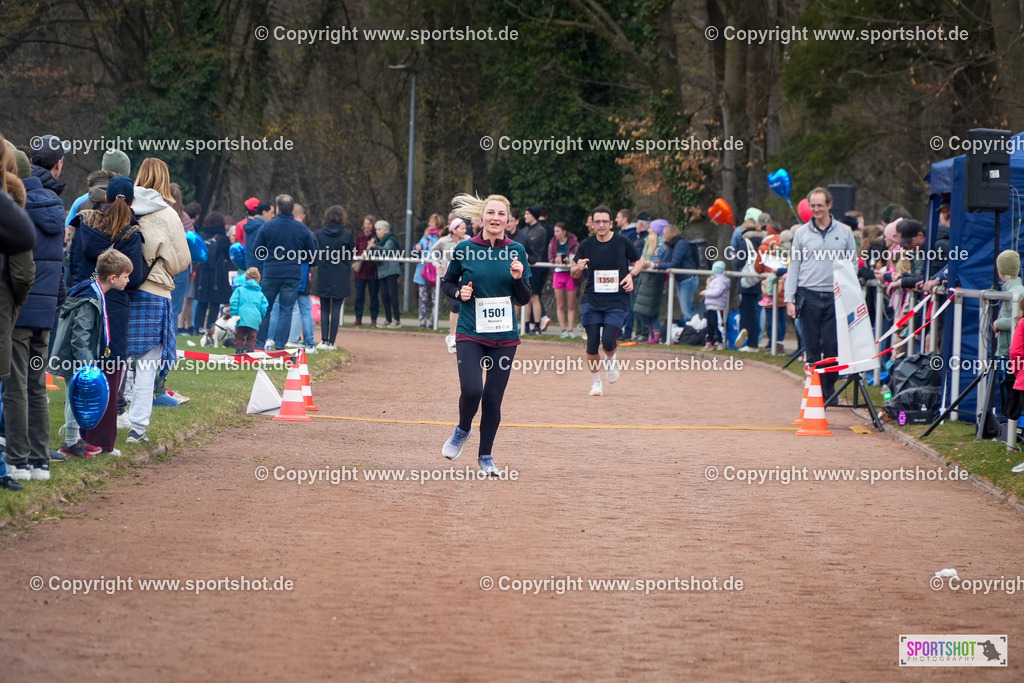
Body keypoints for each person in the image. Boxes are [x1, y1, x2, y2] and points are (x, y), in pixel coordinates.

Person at [439, 193, 531, 475]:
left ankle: (485, 457)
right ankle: (462, 429)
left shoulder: (517, 250)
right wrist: (459, 293)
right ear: (482, 217)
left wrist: (518, 279)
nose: (495, 218)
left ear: (508, 219)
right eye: (491, 212)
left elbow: (524, 297)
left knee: (492, 398)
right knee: (472, 390)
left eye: (501, 214)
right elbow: (447, 282)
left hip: (504, 337)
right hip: (470, 332)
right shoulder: (465, 249)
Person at [64, 176, 146, 456]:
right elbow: (135, 277)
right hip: (114, 308)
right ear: (132, 202)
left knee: (81, 367)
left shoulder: (83, 222)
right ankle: (102, 441)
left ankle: (75, 436)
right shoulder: (131, 232)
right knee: (110, 373)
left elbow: (72, 262)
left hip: (83, 299)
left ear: (106, 198)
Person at [2, 134, 67, 482]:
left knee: (16, 389)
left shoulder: (16, 207)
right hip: (45, 314)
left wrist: (17, 300)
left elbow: (21, 269)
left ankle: (17, 459)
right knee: (37, 386)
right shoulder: (56, 206)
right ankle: (41, 460)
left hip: (21, 311)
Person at [125, 157, 191, 443]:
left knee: (119, 358)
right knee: (148, 363)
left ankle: (116, 414)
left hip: (122, 288)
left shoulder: (123, 206)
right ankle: (137, 427)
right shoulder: (167, 214)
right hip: (154, 290)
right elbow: (182, 260)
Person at [50, 248, 133, 463]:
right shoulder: (89, 298)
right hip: (74, 357)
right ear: (113, 277)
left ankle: (74, 440)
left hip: (78, 356)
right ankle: (70, 443)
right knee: (74, 398)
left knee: (75, 398)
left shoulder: (93, 291)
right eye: (126, 276)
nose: (128, 280)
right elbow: (80, 335)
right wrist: (88, 367)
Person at [785, 187, 857, 405]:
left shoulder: (844, 232)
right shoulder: (801, 233)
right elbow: (794, 266)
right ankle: (815, 389)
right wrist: (789, 299)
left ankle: (829, 388)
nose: (816, 210)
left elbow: (852, 263)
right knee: (812, 347)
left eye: (820, 205)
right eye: (813, 206)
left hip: (835, 296)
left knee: (832, 346)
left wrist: (849, 293)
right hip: (808, 295)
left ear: (829, 205)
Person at [570, 205, 644, 396]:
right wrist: (578, 268)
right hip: (592, 299)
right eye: (597, 221)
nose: (601, 225)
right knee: (592, 343)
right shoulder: (586, 244)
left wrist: (631, 276)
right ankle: (596, 383)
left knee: (608, 341)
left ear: (611, 223)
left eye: (605, 221)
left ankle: (611, 360)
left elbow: (640, 260)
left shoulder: (622, 242)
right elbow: (573, 271)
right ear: (592, 224)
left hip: (617, 299)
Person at [0, 139, 37, 491]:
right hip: (9, 306)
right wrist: (15, 302)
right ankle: (13, 462)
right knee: (20, 386)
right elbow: (24, 272)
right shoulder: (11, 205)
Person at [252, 194, 316, 350]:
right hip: (292, 274)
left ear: (277, 208)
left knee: (266, 308)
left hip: (271, 273)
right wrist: (297, 258)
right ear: (292, 209)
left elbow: (256, 250)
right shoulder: (301, 228)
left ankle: (260, 344)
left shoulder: (267, 226)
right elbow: (312, 254)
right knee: (286, 310)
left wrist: (269, 258)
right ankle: (280, 346)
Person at [314, 205, 353, 349]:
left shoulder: (319, 234)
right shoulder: (347, 235)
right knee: (336, 308)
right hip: (341, 274)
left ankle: (324, 340)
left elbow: (316, 254)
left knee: (324, 308)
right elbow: (350, 254)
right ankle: (332, 342)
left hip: (324, 273)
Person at [431, 216, 467, 353]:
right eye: (461, 228)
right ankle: (452, 336)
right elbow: (432, 251)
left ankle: (463, 336)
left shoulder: (468, 240)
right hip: (450, 278)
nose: (464, 230)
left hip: (465, 277)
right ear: (454, 229)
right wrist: (437, 263)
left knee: (464, 306)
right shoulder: (444, 241)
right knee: (456, 305)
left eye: (465, 228)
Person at [193, 212, 233, 332]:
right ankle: (210, 327)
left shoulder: (202, 236)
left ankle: (197, 327)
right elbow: (228, 256)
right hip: (218, 274)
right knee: (215, 302)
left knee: (202, 301)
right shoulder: (224, 239)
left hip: (203, 272)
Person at [657, 223, 699, 330]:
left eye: (664, 233)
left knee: (686, 310)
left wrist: (657, 265)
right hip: (681, 280)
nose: (663, 235)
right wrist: (656, 264)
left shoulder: (681, 244)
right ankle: (692, 331)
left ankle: (698, 329)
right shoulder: (671, 245)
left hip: (688, 279)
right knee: (685, 309)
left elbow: (674, 263)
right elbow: (665, 261)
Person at [548, 221, 579, 338]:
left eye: (558, 231)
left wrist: (569, 260)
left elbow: (577, 257)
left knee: (571, 304)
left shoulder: (574, 243)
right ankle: (563, 329)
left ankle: (570, 329)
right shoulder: (552, 243)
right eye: (554, 231)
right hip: (558, 273)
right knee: (560, 304)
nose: (555, 234)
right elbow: (550, 258)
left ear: (564, 232)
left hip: (570, 274)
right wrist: (555, 261)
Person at [368, 219, 401, 328]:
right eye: (376, 229)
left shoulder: (390, 239)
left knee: (392, 295)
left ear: (385, 230)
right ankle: (388, 319)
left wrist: (374, 247)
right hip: (382, 271)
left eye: (379, 229)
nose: (377, 232)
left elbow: (386, 250)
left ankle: (396, 319)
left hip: (391, 270)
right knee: (384, 296)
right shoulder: (378, 241)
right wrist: (370, 250)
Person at [412, 213, 443, 328]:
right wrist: (416, 248)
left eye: (432, 222)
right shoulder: (426, 236)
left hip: (436, 270)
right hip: (423, 271)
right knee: (423, 298)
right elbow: (416, 250)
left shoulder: (441, 237)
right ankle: (422, 322)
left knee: (435, 298)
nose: (429, 224)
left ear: (437, 223)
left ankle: (433, 322)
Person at [523, 205, 550, 334]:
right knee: (526, 296)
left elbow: (529, 245)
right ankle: (526, 324)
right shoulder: (525, 230)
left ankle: (537, 325)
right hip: (525, 266)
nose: (525, 216)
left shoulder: (540, 230)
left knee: (534, 296)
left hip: (535, 267)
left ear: (533, 215)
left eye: (527, 214)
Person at [230, 268, 269, 354]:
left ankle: (239, 350)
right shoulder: (260, 294)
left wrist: (234, 314)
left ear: (246, 278)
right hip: (254, 319)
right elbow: (264, 307)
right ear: (258, 279)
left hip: (240, 317)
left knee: (239, 335)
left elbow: (233, 302)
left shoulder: (239, 290)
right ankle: (250, 351)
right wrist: (260, 317)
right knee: (252, 336)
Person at [994, 250, 1023, 358]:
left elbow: (1019, 320)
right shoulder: (1013, 290)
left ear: (1000, 272)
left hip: (1011, 350)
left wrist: (998, 323)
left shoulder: (1015, 293)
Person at [352, 215, 379, 326]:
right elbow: (356, 249)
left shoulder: (376, 237)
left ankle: (374, 319)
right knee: (359, 296)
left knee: (373, 296)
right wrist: (359, 256)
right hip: (360, 270)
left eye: (369, 224)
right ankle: (358, 318)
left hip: (372, 270)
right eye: (365, 223)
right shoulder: (360, 236)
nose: (367, 226)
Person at [700, 261, 729, 350]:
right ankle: (709, 341)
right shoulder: (714, 279)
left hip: (717, 307)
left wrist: (706, 293)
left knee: (717, 325)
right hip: (710, 306)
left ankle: (721, 342)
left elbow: (717, 292)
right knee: (710, 326)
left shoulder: (720, 281)